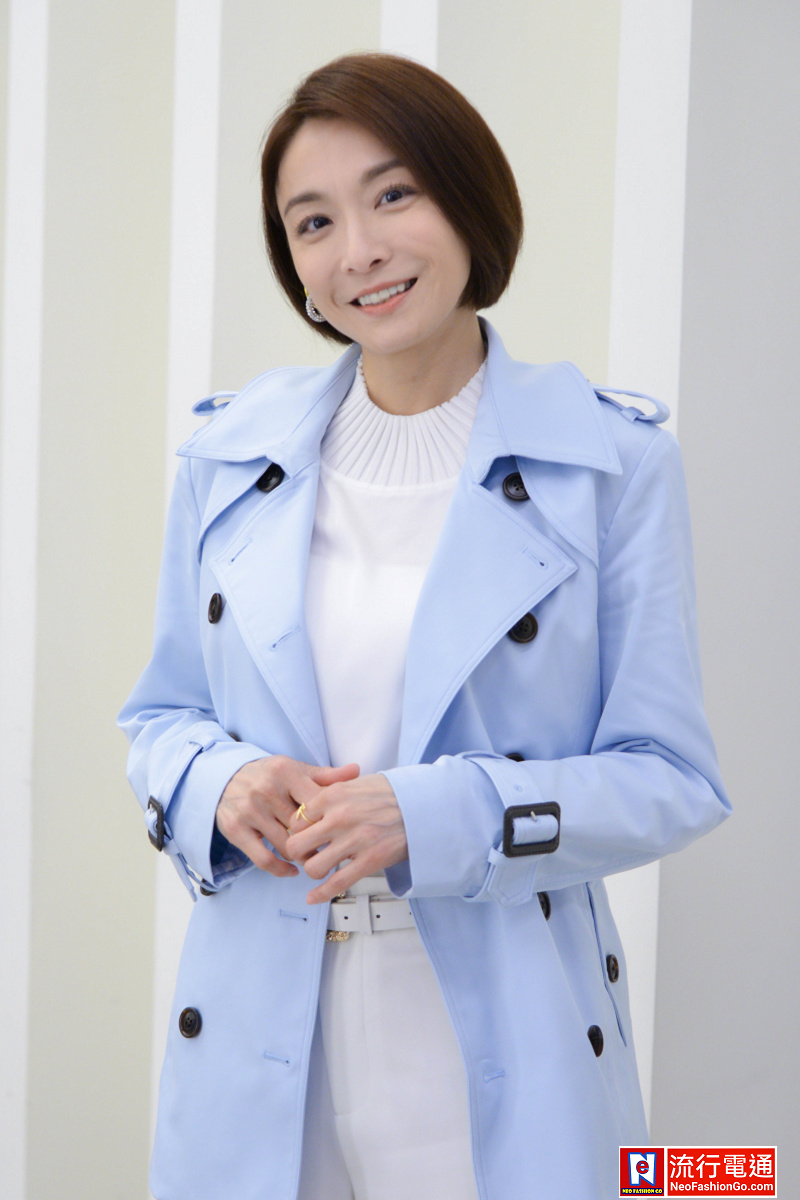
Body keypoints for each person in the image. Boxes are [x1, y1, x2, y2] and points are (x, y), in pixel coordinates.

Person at [118, 51, 730, 1200]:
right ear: (295, 267)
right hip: (256, 1026)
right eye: (313, 222)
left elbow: (669, 777)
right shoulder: (228, 459)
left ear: (466, 201)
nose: (358, 250)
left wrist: (439, 812)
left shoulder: (610, 465)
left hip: (495, 1029)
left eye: (392, 194)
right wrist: (223, 781)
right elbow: (161, 717)